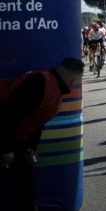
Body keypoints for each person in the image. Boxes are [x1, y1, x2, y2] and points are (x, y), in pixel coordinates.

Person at [0, 58, 84, 210]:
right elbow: (9, 115)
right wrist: (6, 149)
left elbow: (36, 122)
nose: (74, 86)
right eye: (76, 81)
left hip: (19, 140)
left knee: (24, 181)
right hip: (7, 136)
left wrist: (30, 148)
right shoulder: (39, 85)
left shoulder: (53, 86)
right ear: (72, 79)